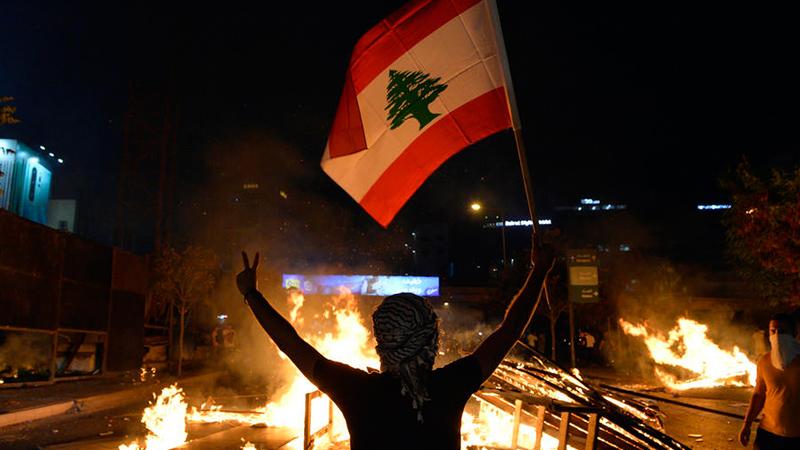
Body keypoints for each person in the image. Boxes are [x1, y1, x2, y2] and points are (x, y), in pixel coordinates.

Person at [237, 246, 555, 450]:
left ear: (381, 344)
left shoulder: (356, 389)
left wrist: (252, 294)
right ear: (431, 341)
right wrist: (539, 271)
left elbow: (292, 344)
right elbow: (510, 330)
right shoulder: (449, 386)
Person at [739, 313, 800, 449]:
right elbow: (759, 395)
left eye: (783, 331)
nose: (777, 336)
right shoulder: (764, 362)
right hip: (768, 434)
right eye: (773, 331)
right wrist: (746, 424)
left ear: (794, 333)